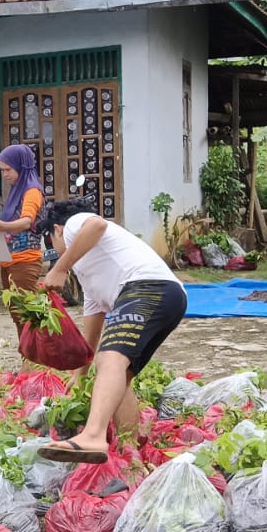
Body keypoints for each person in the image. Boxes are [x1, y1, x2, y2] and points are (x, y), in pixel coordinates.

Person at [33, 196, 185, 463]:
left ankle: (93, 435)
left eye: (50, 241)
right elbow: (92, 330)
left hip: (147, 288)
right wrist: (79, 374)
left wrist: (59, 268)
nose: (55, 248)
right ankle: (130, 455)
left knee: (110, 359)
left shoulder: (73, 224)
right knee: (119, 374)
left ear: (56, 230)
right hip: (164, 297)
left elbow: (96, 226)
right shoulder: (89, 274)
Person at [0, 144, 45, 295]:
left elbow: (27, 221)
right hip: (9, 260)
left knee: (26, 312)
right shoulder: (17, 190)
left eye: (8, 170)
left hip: (25, 259)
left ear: (21, 167)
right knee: (17, 313)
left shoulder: (31, 191)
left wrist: (2, 226)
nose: (5, 174)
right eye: (2, 170)